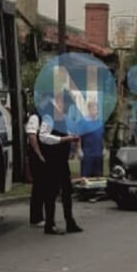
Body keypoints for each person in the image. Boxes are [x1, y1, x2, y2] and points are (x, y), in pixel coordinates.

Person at [36, 90, 83, 235]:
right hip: (52, 159)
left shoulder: (60, 115)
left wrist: (70, 137)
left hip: (61, 159)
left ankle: (70, 221)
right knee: (51, 191)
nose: (68, 109)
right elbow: (43, 136)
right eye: (68, 106)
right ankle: (50, 224)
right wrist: (63, 139)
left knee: (67, 190)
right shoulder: (49, 114)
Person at [25, 96, 48, 228]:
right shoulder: (35, 117)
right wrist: (39, 154)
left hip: (43, 155)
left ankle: (41, 215)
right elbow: (32, 136)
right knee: (39, 186)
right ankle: (36, 217)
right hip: (37, 156)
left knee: (43, 186)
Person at [76, 101, 104, 179]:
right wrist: (79, 149)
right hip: (87, 154)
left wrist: (104, 148)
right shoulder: (83, 122)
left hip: (98, 154)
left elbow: (102, 136)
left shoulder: (99, 122)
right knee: (86, 177)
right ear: (89, 109)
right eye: (93, 109)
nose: (95, 111)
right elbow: (78, 136)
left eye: (96, 109)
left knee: (98, 176)